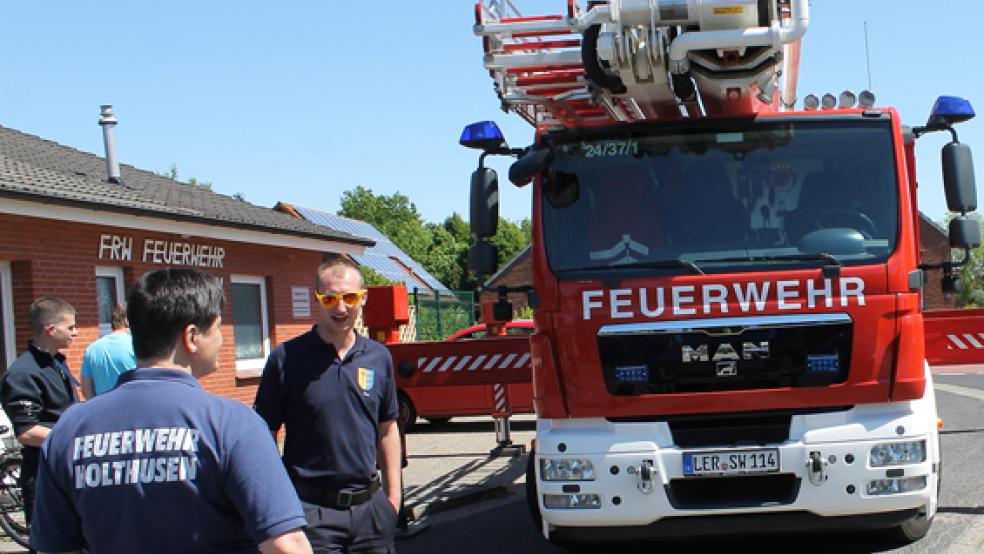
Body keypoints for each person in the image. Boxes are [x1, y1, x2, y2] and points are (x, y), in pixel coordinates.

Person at [30, 269, 312, 554]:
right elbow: (286, 545)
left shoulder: (70, 430)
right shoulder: (232, 424)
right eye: (217, 328)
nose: (222, 340)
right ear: (192, 336)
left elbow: (54, 548)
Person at [255, 257, 402, 553]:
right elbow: (264, 437)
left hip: (371, 513)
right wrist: (278, 506)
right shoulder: (286, 359)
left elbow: (388, 429)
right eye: (330, 298)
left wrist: (394, 498)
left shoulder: (378, 357)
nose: (340, 307)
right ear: (316, 299)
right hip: (311, 514)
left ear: (363, 298)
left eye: (349, 297)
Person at [0, 296, 79, 534]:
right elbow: (27, 432)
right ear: (51, 329)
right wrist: (78, 438)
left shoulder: (56, 363)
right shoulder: (24, 373)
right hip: (46, 477)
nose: (75, 333)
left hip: (68, 470)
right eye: (71, 327)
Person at [81, 303, 136, 398]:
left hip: (103, 408)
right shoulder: (136, 344)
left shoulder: (92, 349)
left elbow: (86, 391)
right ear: (127, 320)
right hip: (133, 406)